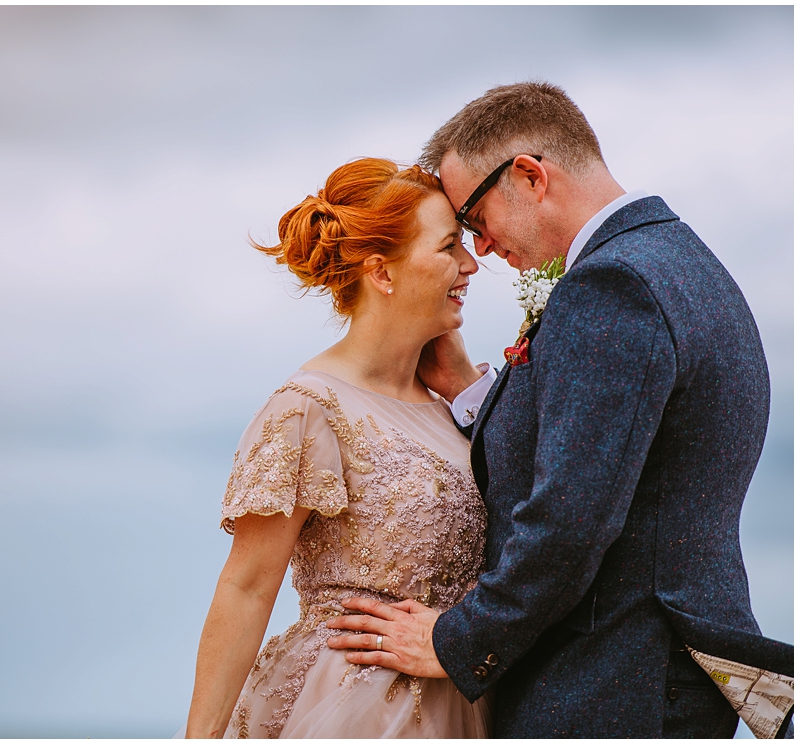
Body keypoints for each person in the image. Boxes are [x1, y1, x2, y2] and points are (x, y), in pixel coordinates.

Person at [327, 82, 794, 738]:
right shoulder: (677, 263)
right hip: (649, 673)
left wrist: (458, 640)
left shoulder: (612, 286)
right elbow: (611, 455)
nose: (479, 249)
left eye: (475, 219)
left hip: (607, 679)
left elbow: (569, 520)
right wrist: (467, 389)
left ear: (528, 175)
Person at [183, 158, 493, 738]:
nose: (470, 264)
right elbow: (247, 587)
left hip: (469, 700)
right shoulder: (307, 408)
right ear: (381, 271)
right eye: (449, 246)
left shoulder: (459, 406)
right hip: (357, 711)